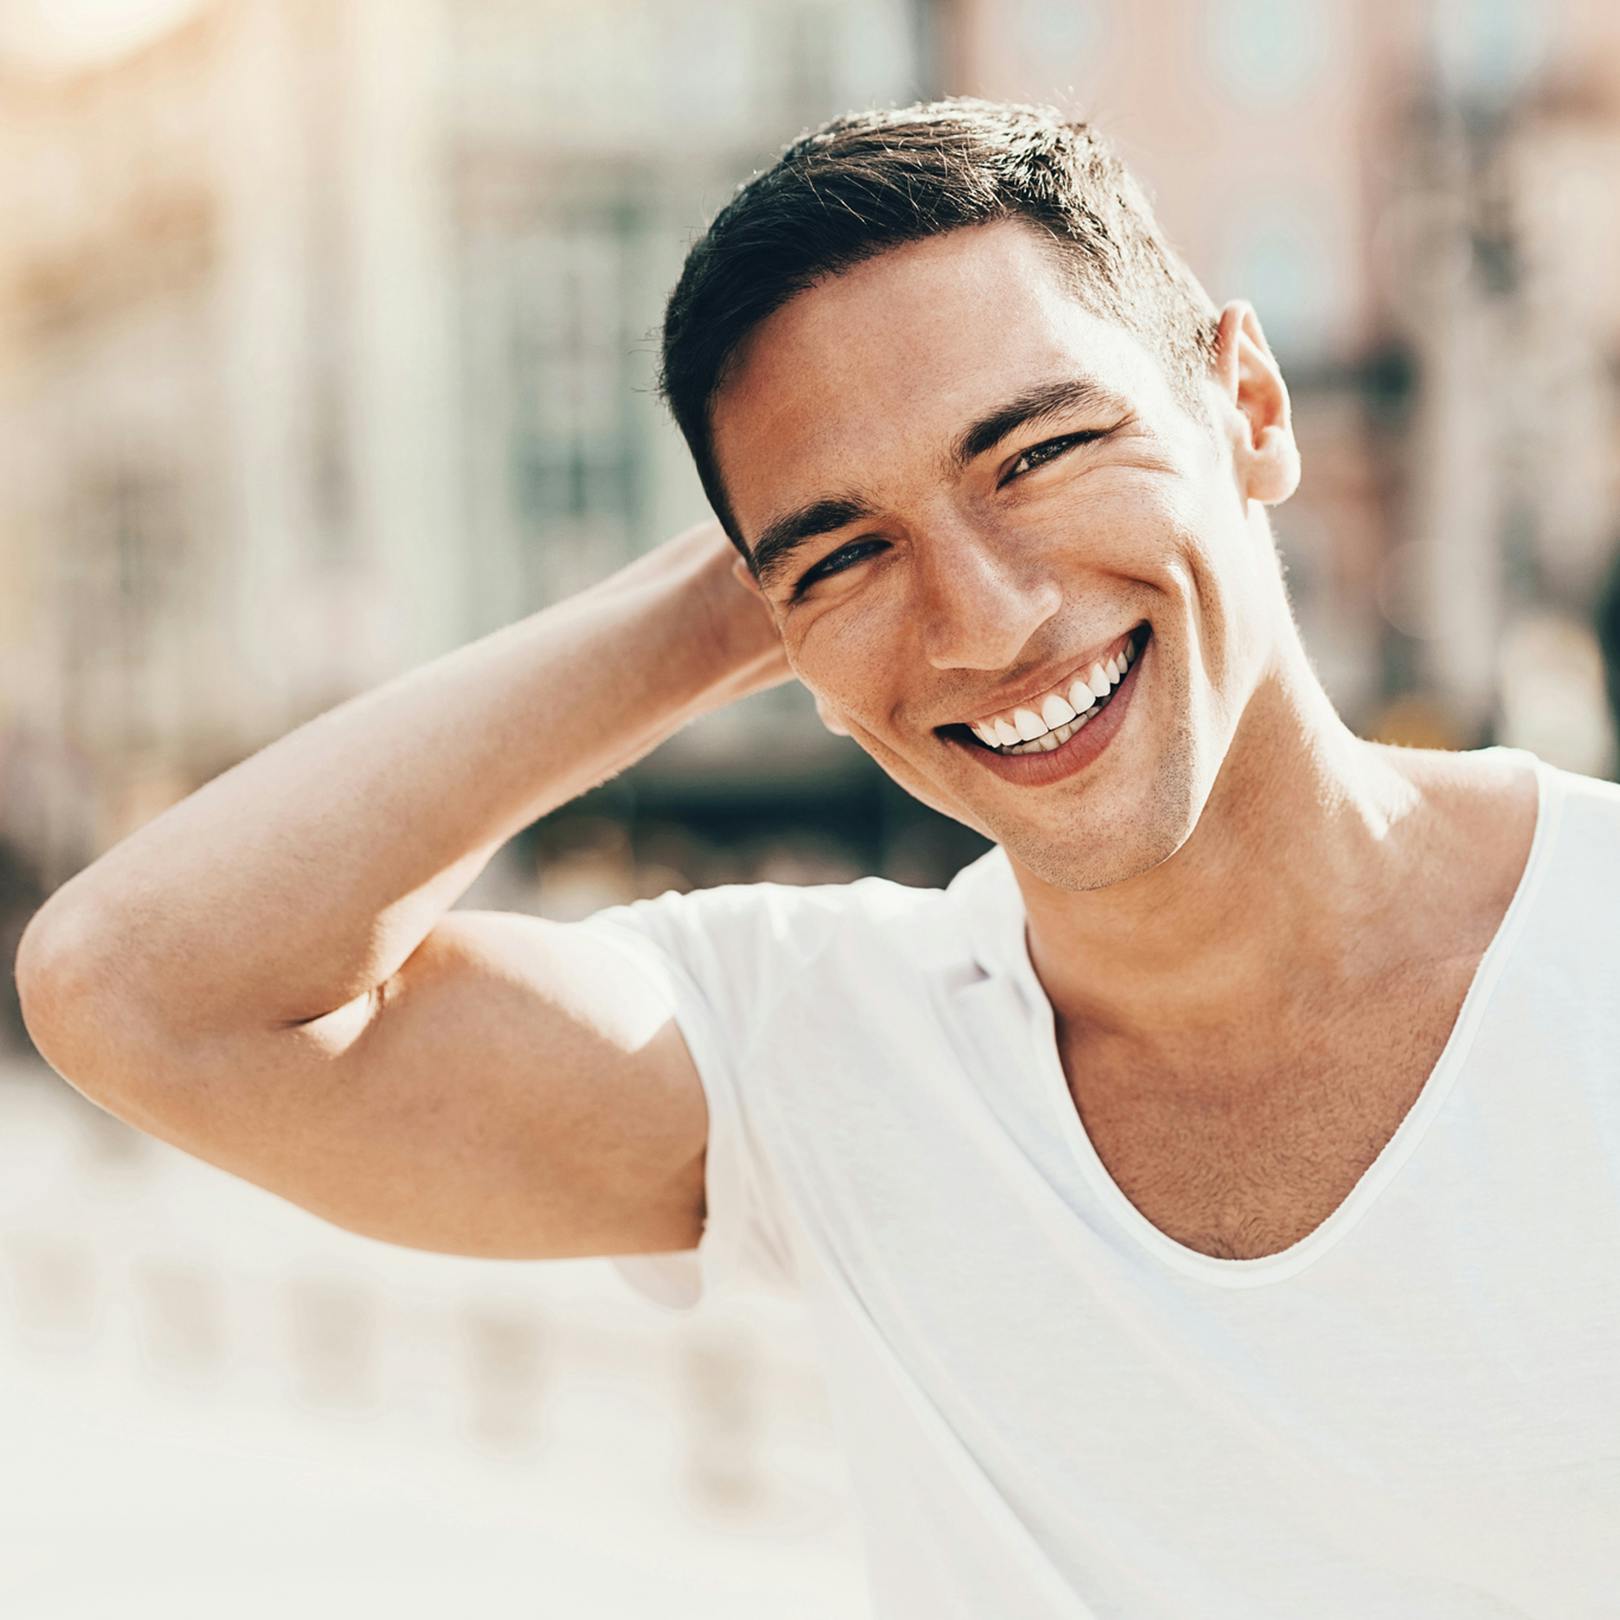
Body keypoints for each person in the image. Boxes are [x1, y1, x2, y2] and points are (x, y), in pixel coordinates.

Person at [17, 99, 1620, 1617]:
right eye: (846, 553)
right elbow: (136, 988)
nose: (984, 621)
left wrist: (829, 543)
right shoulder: (826, 1051)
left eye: (1040, 454)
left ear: (1249, 411)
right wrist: (719, 610)